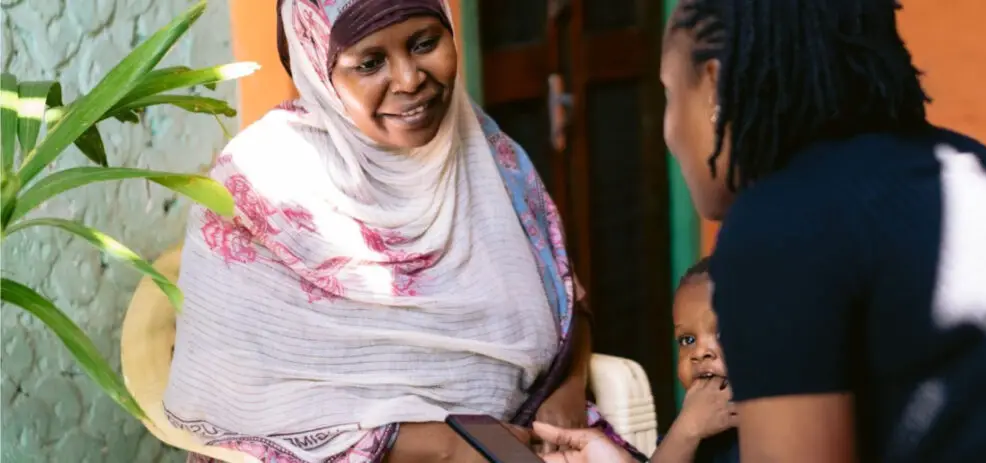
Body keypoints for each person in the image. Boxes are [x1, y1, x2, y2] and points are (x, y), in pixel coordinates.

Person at [538, 0, 986, 462]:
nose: (667, 129)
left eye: (668, 95)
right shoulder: (974, 170)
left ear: (713, 88)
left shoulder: (780, 224)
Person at [163, 1, 642, 462]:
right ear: (317, 69)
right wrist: (447, 448)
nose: (410, 80)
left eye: (423, 42)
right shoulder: (258, 187)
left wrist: (568, 389)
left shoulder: (490, 156)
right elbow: (233, 389)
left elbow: (565, 301)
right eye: (370, 63)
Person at [651, 258, 738, 463]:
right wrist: (687, 431)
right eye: (687, 340)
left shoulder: (786, 423)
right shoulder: (687, 431)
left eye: (721, 334)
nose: (699, 353)